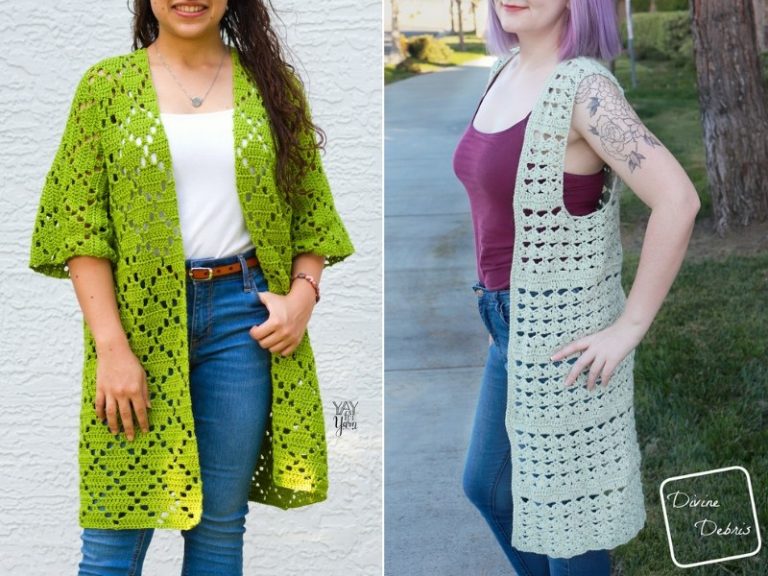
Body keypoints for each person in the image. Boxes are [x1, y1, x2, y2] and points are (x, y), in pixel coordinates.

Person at [27, 0, 354, 574]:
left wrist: (302, 297)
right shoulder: (107, 87)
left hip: (241, 320)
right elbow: (80, 228)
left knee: (219, 529)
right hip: (136, 327)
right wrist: (112, 349)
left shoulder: (269, 85)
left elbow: (312, 213)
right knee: (112, 536)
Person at [452, 1, 699, 575]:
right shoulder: (505, 72)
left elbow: (678, 200)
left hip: (564, 339)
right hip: (509, 327)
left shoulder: (584, 90)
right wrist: (498, 317)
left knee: (570, 525)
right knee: (489, 487)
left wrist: (629, 327)